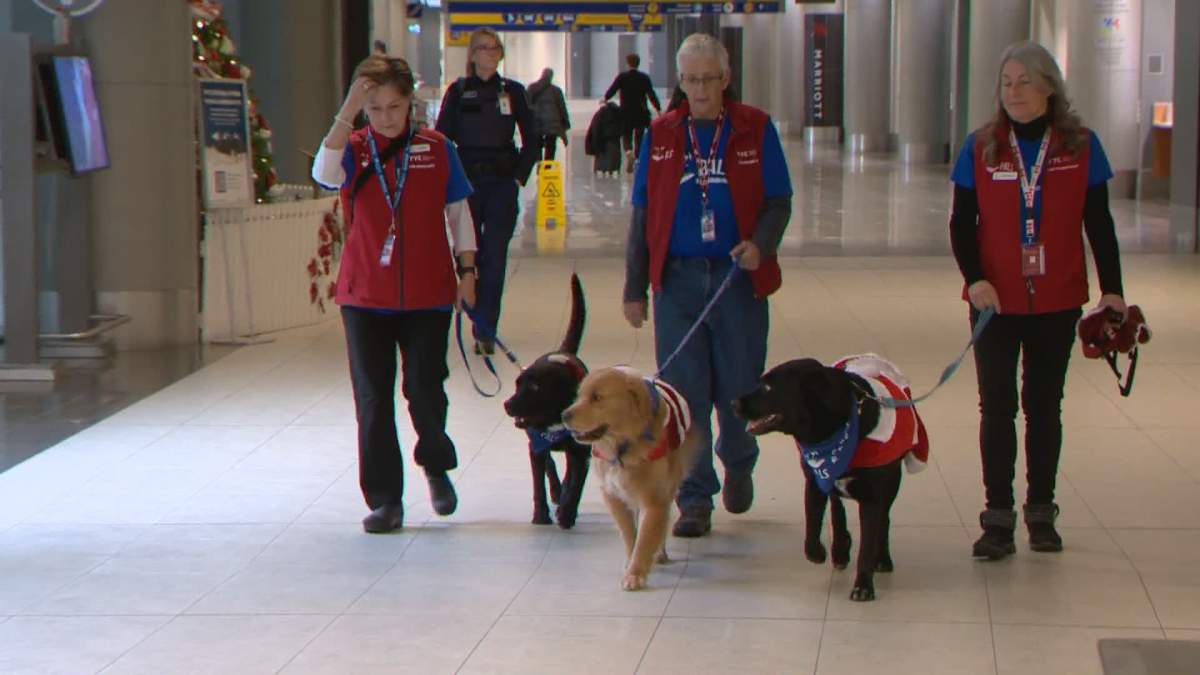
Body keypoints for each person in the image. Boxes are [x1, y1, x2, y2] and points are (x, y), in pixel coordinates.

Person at [949, 41, 1125, 559]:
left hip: (1057, 299)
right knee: (996, 406)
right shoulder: (981, 146)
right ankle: (997, 518)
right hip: (995, 301)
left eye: (1025, 81)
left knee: (1044, 406)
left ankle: (1042, 512)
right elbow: (961, 224)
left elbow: (1100, 224)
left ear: (1050, 86)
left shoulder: (1081, 146)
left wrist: (1112, 289)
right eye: (1006, 82)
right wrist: (975, 278)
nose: (1014, 92)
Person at [623, 33, 793, 537]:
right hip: (676, 281)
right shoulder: (661, 133)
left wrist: (760, 244)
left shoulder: (754, 128)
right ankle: (695, 496)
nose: (700, 89)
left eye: (709, 79)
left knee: (740, 385)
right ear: (680, 81)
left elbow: (778, 200)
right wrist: (635, 287)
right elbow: (642, 214)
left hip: (736, 278)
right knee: (684, 392)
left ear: (726, 78)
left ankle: (739, 460)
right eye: (691, 80)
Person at [311, 55, 478, 534]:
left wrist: (467, 270)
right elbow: (324, 174)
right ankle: (386, 499)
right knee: (373, 399)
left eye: (395, 106)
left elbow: (459, 213)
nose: (386, 117)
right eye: (376, 107)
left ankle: (435, 461)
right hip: (365, 296)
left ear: (410, 104)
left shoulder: (437, 147)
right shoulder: (353, 148)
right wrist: (348, 110)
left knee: (426, 390)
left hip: (427, 293)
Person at [436, 28, 539, 356]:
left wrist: (520, 175)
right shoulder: (459, 91)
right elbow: (442, 138)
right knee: (470, 255)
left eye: (494, 47)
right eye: (483, 48)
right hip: (467, 184)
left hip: (501, 183)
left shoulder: (514, 92)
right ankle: (472, 307)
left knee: (494, 256)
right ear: (473, 54)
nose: (489, 53)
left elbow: (533, 136)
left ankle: (485, 329)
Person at [603, 53, 662, 173]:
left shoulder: (622, 77)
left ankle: (629, 152)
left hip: (625, 112)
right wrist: (658, 109)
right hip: (641, 112)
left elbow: (613, 89)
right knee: (639, 137)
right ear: (638, 63)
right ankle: (637, 160)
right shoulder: (644, 78)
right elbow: (651, 94)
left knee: (626, 135)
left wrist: (605, 98)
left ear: (627, 63)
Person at [527, 68, 571, 161]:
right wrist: (565, 124)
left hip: (537, 122)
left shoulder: (532, 88)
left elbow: (527, 105)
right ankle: (548, 167)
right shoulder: (556, 90)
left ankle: (539, 165)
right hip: (553, 125)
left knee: (537, 146)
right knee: (551, 147)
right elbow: (562, 108)